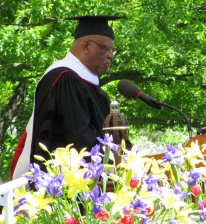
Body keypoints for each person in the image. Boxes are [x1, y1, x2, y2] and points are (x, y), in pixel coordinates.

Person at [10, 15, 123, 179]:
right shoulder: (64, 78)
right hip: (64, 185)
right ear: (86, 46)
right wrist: (112, 160)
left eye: (112, 50)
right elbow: (78, 140)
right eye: (105, 49)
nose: (111, 55)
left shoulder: (87, 84)